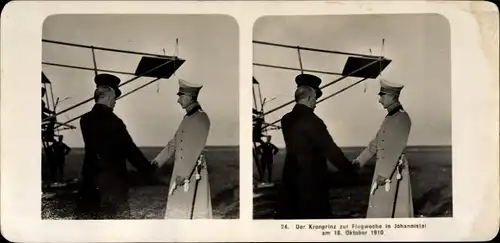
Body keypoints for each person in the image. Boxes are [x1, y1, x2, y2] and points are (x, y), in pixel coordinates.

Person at [275, 73, 360, 219]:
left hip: (290, 178)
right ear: (308, 99)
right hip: (311, 182)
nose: (316, 103)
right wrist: (350, 168)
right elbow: (330, 149)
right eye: (315, 99)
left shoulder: (286, 119)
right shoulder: (314, 121)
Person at [75, 73, 160, 219]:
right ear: (108, 98)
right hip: (113, 183)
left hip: (90, 182)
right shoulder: (114, 122)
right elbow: (129, 149)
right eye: (114, 99)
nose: (115, 102)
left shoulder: (85, 119)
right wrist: (148, 169)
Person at [352, 78, 413, 218]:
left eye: (382, 95)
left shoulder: (402, 118)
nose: (380, 100)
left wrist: (384, 174)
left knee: (386, 210)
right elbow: (375, 143)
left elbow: (396, 147)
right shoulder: (390, 117)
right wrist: (358, 162)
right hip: (383, 170)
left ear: (392, 96)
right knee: (381, 208)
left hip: (390, 173)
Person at [151, 79, 212, 219]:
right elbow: (174, 143)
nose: (178, 100)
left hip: (190, 175)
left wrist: (183, 175)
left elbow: (195, 147)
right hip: (181, 173)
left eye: (180, 96)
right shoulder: (188, 118)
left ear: (189, 97)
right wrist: (156, 163)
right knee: (180, 210)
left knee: (191, 211)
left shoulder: (201, 118)